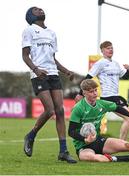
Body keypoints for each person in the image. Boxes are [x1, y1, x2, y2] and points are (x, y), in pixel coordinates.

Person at [22, 6, 77, 163]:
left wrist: (66, 71)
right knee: (50, 110)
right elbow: (25, 56)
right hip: (39, 74)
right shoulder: (29, 30)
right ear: (30, 16)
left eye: (40, 9)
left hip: (53, 74)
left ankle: (63, 152)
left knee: (60, 111)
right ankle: (31, 135)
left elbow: (53, 58)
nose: (40, 10)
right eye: (36, 10)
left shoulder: (52, 33)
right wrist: (36, 69)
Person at [75, 41, 129, 140]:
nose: (111, 50)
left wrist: (128, 70)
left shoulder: (116, 63)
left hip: (116, 96)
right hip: (108, 97)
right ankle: (121, 143)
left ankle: (116, 142)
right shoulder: (100, 63)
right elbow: (88, 77)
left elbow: (124, 77)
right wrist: (80, 93)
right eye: (108, 48)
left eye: (112, 48)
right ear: (102, 51)